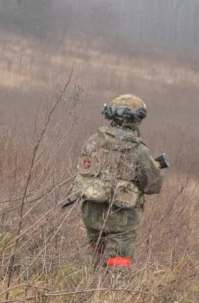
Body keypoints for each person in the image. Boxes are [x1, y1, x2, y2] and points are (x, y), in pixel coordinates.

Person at [70, 94, 164, 269]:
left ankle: (91, 283)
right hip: (122, 218)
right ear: (137, 119)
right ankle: (113, 287)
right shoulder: (138, 150)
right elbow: (152, 185)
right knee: (119, 264)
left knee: (95, 257)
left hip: (92, 213)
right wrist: (155, 168)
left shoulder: (93, 141)